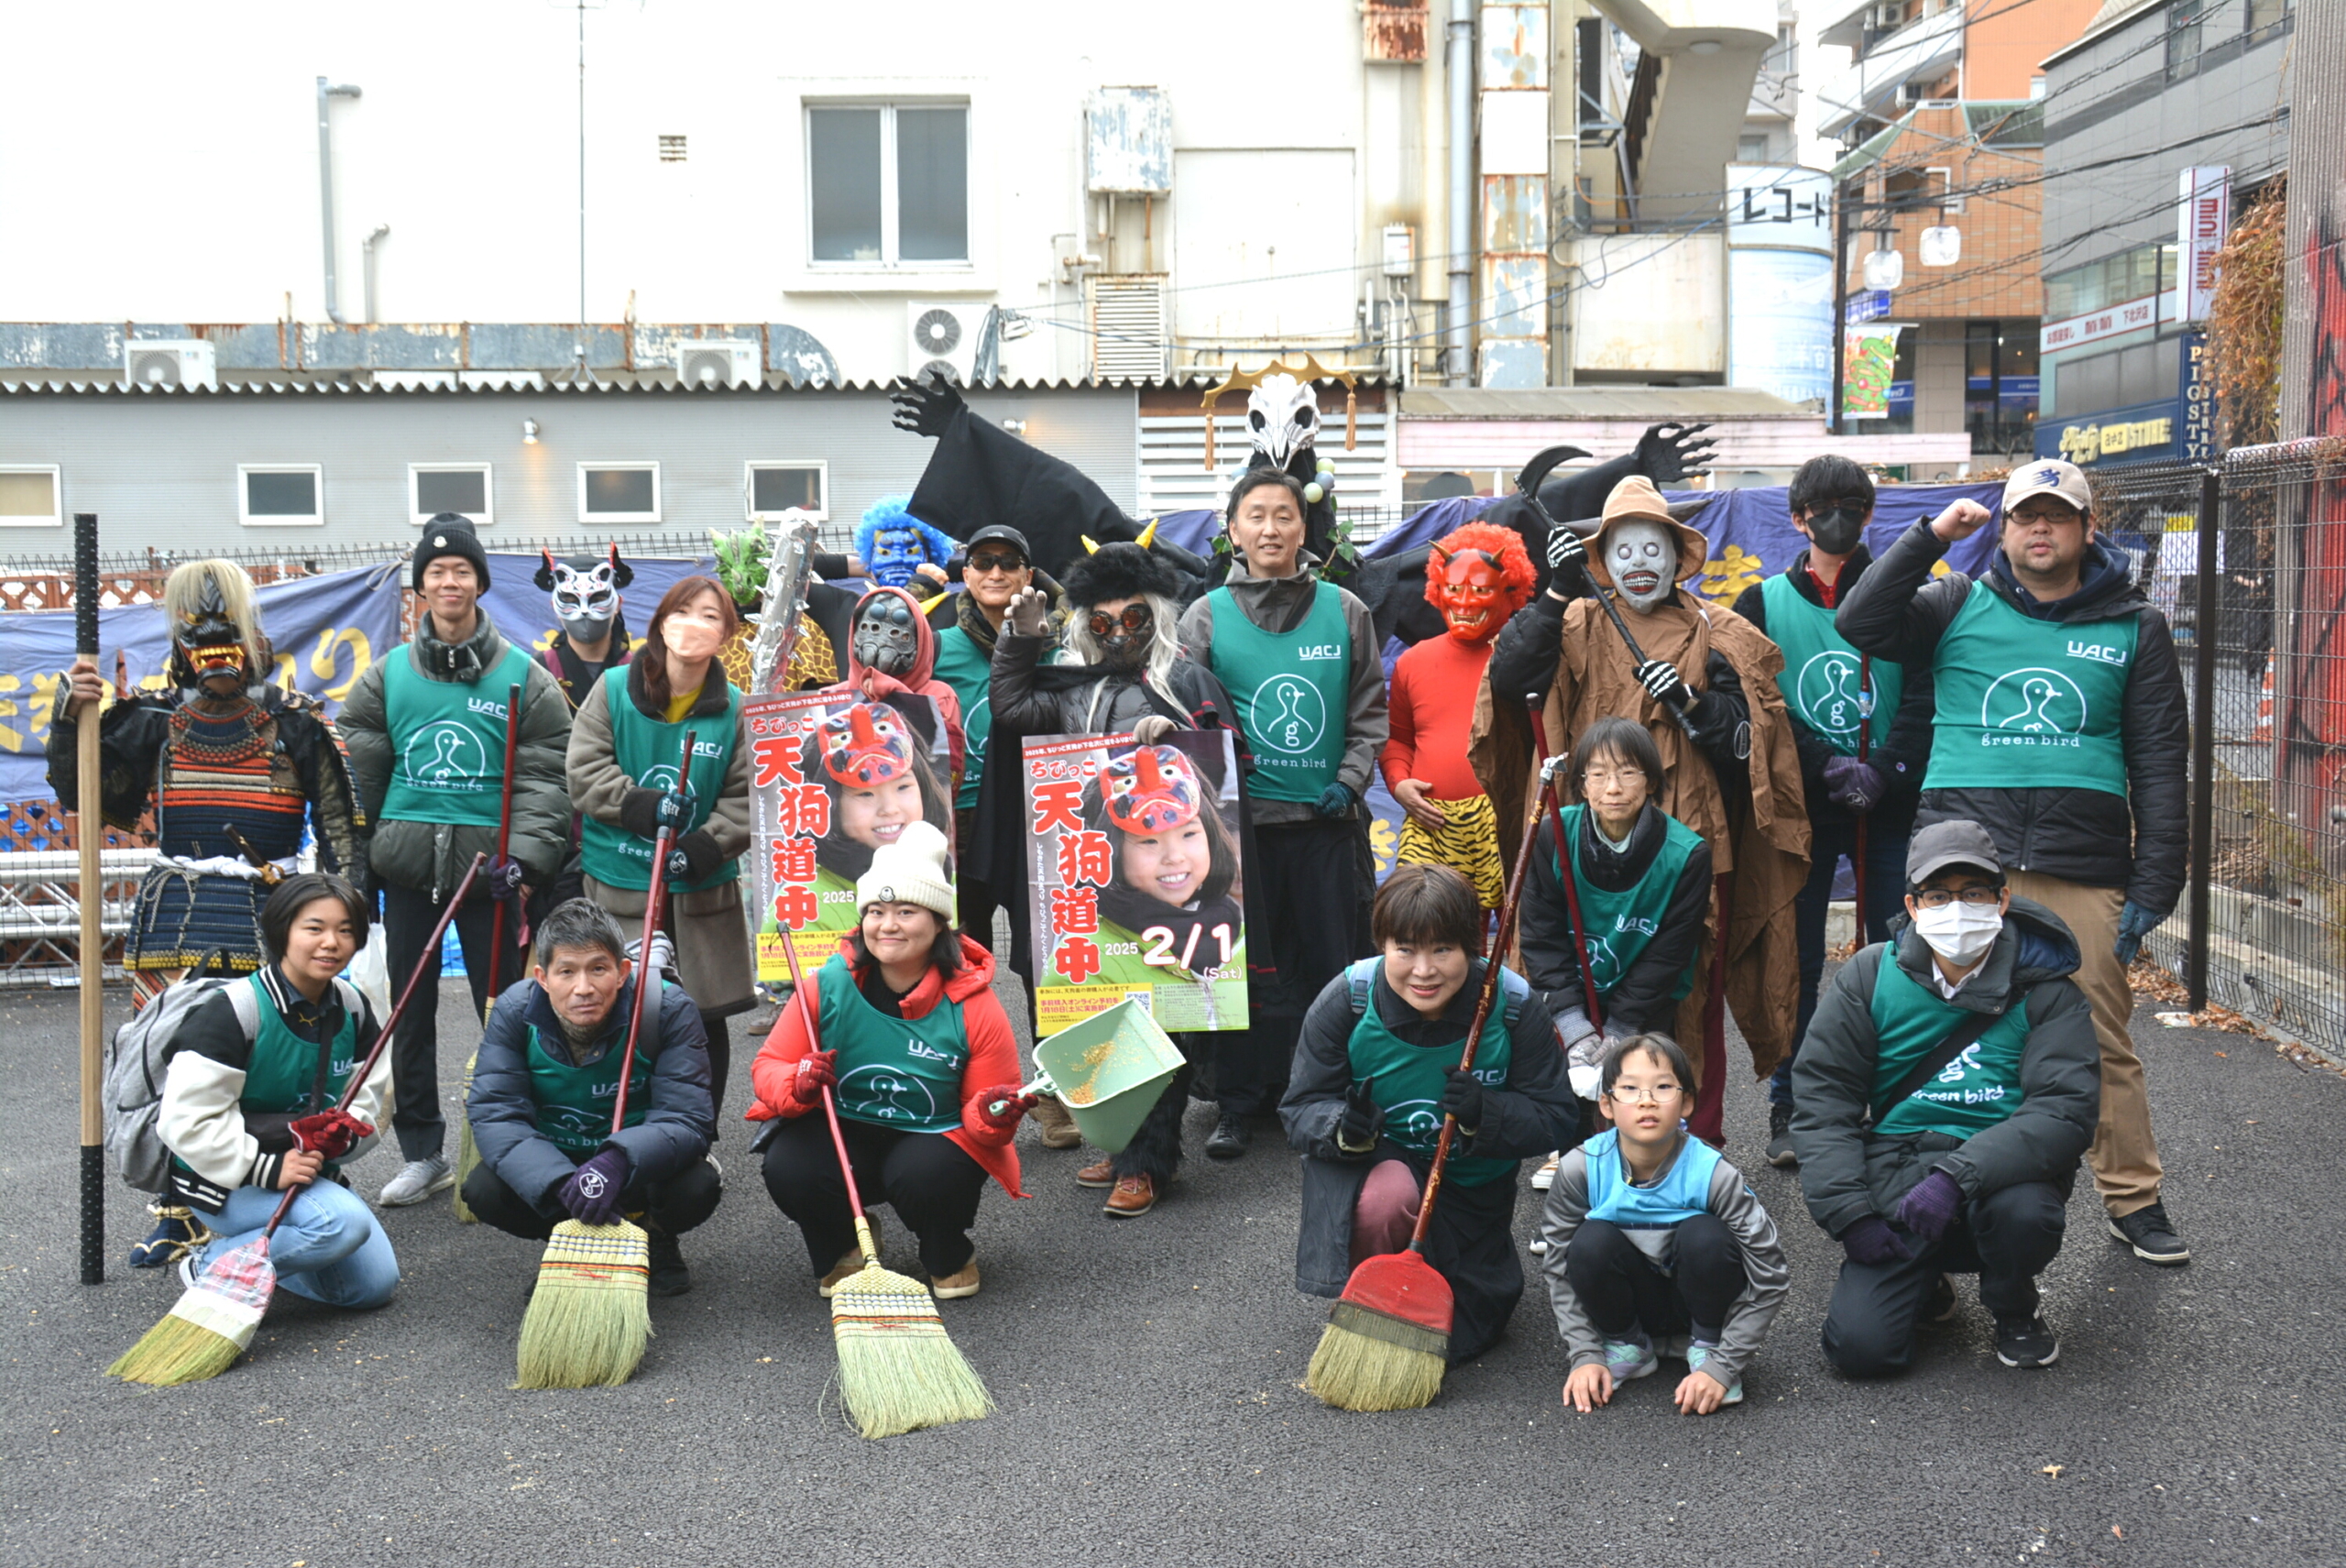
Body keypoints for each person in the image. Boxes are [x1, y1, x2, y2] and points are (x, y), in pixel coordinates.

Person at [1836, 459, 2191, 1266]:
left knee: (2100, 1036)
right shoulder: (1954, 601)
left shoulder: (2136, 626)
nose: (2041, 528)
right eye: (2026, 515)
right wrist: (1929, 536)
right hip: (1961, 866)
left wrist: (2155, 882)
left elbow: (2162, 761)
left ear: (2086, 530)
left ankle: (2131, 1194)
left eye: (2058, 517)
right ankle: (1913, 1179)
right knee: (1934, 1022)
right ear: (2003, 529)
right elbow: (1861, 622)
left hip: (2083, 866)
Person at [46, 559, 365, 1267]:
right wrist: (75, 719)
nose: (221, 668)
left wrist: (347, 923)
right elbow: (88, 794)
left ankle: (290, 1178)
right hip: (176, 922)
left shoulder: (296, 724)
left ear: (257, 644)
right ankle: (179, 1205)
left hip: (272, 916)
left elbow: (345, 833)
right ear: (184, 652)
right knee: (168, 1063)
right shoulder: (153, 722)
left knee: (274, 1059)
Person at [1473, 476, 1809, 1146]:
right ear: (1602, 559)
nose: (1639, 563)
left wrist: (1696, 703)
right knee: (1575, 978)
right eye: (1622, 550)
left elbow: (1756, 739)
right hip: (1586, 834)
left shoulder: (1719, 628)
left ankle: (1697, 1139)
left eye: (1653, 547)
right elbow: (1511, 683)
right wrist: (1559, 588)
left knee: (1689, 994)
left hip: (1690, 842)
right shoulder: (1571, 619)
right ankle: (1590, 1140)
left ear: (1677, 555)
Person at [1792, 821, 2100, 1375]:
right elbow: (1822, 1098)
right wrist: (1850, 1216)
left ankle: (2014, 1307)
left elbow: (2063, 1110)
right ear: (1913, 906)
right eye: (1939, 895)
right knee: (1860, 1354)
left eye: (1974, 894)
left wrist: (1958, 1175)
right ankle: (1924, 1282)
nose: (1957, 909)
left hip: (2002, 1171)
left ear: (2002, 900)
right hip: (1899, 1167)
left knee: (2023, 1214)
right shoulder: (1869, 974)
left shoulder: (2048, 988)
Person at [982, 540, 1251, 1169]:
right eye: (1103, 623)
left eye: (1134, 619)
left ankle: (1148, 1164)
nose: (1120, 635)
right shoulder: (1075, 689)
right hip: (1094, 875)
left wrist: (1180, 736)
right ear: (1085, 626)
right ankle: (1125, 1141)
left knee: (1163, 1010)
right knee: (1102, 1011)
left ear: (1156, 615)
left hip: (1171, 874)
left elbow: (1232, 764)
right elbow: (1013, 709)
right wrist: (1020, 642)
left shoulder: (1185, 678)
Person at [339, 516, 573, 1207]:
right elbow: (360, 756)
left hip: (489, 871)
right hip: (411, 871)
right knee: (406, 1014)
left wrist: (525, 863)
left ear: (479, 583)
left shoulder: (521, 676)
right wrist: (379, 844)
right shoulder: (388, 676)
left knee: (507, 1011)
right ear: (420, 587)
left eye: (461, 571)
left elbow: (546, 776)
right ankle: (422, 1151)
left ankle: (519, 1139)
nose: (449, 581)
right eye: (436, 572)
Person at [1730, 456, 1935, 1167]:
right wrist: (1823, 762)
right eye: (1824, 506)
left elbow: (1923, 693)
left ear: (1871, 514)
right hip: (1803, 807)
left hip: (1889, 806)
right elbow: (1762, 700)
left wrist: (1886, 770)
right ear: (1798, 517)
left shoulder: (1911, 596)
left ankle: (1893, 1103)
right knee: (1799, 960)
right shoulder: (1763, 603)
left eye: (1853, 503)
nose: (1837, 516)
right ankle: (1792, 1105)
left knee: (1898, 955)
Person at [1283, 864, 1576, 1362]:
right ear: (1383, 945)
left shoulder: (1512, 1005)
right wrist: (1342, 1129)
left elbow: (1558, 1117)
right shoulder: (1349, 999)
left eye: (1443, 949)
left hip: (1471, 1185)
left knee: (1466, 1335)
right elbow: (1300, 1107)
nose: (1424, 970)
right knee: (1385, 1197)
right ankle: (1369, 1301)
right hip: (1380, 1167)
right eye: (1406, 949)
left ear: (1472, 946)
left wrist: (1487, 1113)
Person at [1181, 469, 1389, 1160]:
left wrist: (1351, 781)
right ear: (1233, 528)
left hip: (1327, 824)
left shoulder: (1346, 610)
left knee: (1338, 965)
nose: (1271, 529)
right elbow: (1184, 718)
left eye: (1285, 516)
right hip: (1241, 832)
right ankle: (1239, 1103)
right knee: (1237, 969)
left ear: (1306, 528)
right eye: (1256, 516)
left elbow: (1368, 713)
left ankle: (1332, 1095)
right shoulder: (1205, 615)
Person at [750, 822, 1026, 1298]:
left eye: (906, 910)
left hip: (931, 1136)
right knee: (789, 1164)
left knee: (928, 1175)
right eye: (876, 911)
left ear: (939, 921)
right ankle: (842, 1245)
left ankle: (947, 1250)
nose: (888, 925)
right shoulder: (828, 984)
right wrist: (797, 1083)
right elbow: (768, 1066)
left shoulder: (974, 1004)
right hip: (844, 1129)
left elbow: (987, 1120)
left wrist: (991, 1113)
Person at [154, 873, 398, 1311]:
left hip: (307, 1171)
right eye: (314, 928)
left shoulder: (354, 1007)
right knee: (340, 1224)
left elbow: (371, 1100)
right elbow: (184, 1121)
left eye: (345, 930)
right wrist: (266, 1168)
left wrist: (344, 1136)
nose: (331, 942)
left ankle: (262, 1263)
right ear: (282, 930)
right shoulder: (234, 1011)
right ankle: (209, 1265)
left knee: (370, 1287)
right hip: (226, 1177)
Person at [462, 899, 718, 1298]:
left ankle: (654, 1236)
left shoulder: (666, 1009)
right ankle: (567, 1240)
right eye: (567, 972)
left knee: (697, 1186)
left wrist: (617, 1161)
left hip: (635, 1168)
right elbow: (497, 1115)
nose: (584, 988)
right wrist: (561, 1183)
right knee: (483, 1191)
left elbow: (687, 1118)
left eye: (598, 969)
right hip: (558, 1163)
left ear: (622, 972)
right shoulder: (514, 1010)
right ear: (543, 978)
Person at [566, 575, 755, 1116]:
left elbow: (745, 796)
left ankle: (699, 1130)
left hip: (699, 888)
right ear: (660, 622)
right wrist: (641, 807)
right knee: (615, 1008)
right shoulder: (611, 690)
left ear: (726, 635)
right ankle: (618, 1123)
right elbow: (583, 771)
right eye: (683, 611)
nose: (694, 625)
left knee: (702, 1016)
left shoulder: (734, 709)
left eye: (711, 616)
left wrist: (702, 846)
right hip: (620, 880)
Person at [1540, 1034, 1788, 1414]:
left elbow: (1770, 1274)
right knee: (1589, 1242)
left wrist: (1725, 1366)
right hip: (1635, 1305)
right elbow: (1557, 1266)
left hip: (1702, 1305)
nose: (1646, 1100)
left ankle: (1707, 1346)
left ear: (1687, 1101)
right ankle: (1628, 1345)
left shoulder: (1712, 1173)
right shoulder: (1581, 1168)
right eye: (1630, 1088)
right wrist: (1585, 1353)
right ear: (1606, 1103)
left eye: (1663, 1087)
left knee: (1704, 1235)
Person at [1518, 718, 1714, 1172]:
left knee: (1641, 1105)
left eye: (1628, 772)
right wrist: (1571, 1022)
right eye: (1598, 774)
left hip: (1647, 1002)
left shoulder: (1686, 855)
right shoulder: (1551, 833)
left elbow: (1668, 953)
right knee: (1570, 1110)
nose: (1613, 787)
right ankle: (1571, 1210)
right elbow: (1540, 937)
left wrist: (1622, 1026)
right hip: (1568, 996)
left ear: (1651, 781)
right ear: (1581, 784)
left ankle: (1647, 1200)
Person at [1065, 740, 1250, 1215]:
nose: (1174, 857)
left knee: (1163, 1063)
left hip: (1184, 1012)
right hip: (1113, 992)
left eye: (1189, 835)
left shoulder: (1228, 921)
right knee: (1113, 1054)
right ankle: (1125, 1150)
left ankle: (1143, 1166)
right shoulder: (1093, 923)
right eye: (1148, 841)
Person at [1382, 522, 1539, 911]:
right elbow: (1398, 739)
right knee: (1420, 924)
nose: (1465, 602)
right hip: (1431, 827)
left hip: (1510, 823)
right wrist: (1399, 784)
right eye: (1454, 588)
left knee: (1512, 935)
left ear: (1511, 592)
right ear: (1437, 590)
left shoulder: (1525, 660)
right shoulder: (1414, 660)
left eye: (1482, 589)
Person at [924, 523, 1055, 952]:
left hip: (1035, 814)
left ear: (1028, 576)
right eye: (982, 562)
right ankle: (971, 1023)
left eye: (1009, 562)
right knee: (959, 951)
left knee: (1045, 949)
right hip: (960, 818)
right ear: (967, 575)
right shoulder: (936, 647)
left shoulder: (1055, 645)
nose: (995, 572)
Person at [534, 547, 636, 714]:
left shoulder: (638, 671)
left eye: (598, 598)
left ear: (617, 604)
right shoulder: (539, 669)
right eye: (569, 599)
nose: (584, 611)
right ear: (555, 607)